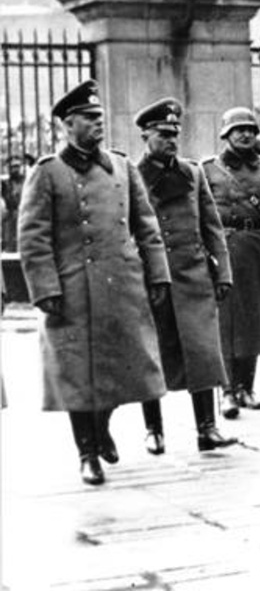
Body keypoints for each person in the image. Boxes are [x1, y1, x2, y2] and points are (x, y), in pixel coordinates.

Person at [18, 80, 171, 485]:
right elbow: (33, 237)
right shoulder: (48, 172)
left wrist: (157, 274)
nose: (98, 124)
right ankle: (87, 452)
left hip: (122, 284)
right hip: (72, 290)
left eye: (100, 118)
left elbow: (147, 226)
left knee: (125, 368)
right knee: (76, 374)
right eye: (89, 119)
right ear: (69, 125)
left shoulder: (121, 167)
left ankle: (102, 427)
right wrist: (45, 289)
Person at [133, 98, 238, 455]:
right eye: (163, 134)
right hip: (154, 278)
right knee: (154, 354)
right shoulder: (132, 176)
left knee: (203, 351)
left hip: (194, 275)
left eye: (175, 134)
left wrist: (222, 270)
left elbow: (212, 225)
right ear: (146, 135)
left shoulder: (192, 173)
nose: (171, 141)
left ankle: (207, 429)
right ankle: (154, 430)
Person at [202, 107, 260, 419]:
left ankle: (246, 388)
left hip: (259, 251)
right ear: (225, 135)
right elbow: (201, 216)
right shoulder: (208, 170)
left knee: (253, 321)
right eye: (238, 130)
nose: (245, 135)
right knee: (226, 322)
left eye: (251, 130)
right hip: (224, 251)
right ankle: (226, 391)